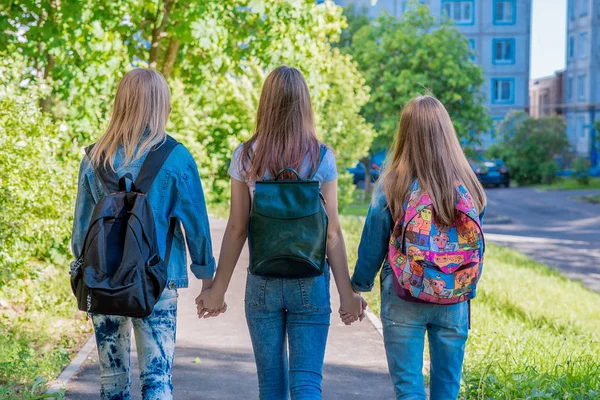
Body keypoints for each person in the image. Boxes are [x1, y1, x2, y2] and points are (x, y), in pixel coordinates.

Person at [195, 66, 366, 400]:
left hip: (263, 282)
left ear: (265, 104)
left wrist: (218, 290)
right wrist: (346, 294)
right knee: (306, 386)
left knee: (270, 388)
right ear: (304, 104)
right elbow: (331, 233)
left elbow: (237, 227)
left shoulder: (246, 155)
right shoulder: (321, 156)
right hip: (311, 280)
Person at [71, 68, 217, 400]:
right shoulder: (176, 157)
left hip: (103, 281)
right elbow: (197, 226)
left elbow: (81, 233)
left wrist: (85, 270)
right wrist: (206, 277)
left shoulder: (95, 157)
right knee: (157, 379)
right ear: (160, 104)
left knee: (112, 381)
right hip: (157, 281)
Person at [351, 96, 487, 400]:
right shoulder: (469, 185)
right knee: (447, 390)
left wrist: (359, 284)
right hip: (454, 297)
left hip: (404, 292)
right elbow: (474, 244)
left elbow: (374, 238)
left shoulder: (392, 183)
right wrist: (467, 289)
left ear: (405, 134)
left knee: (409, 389)